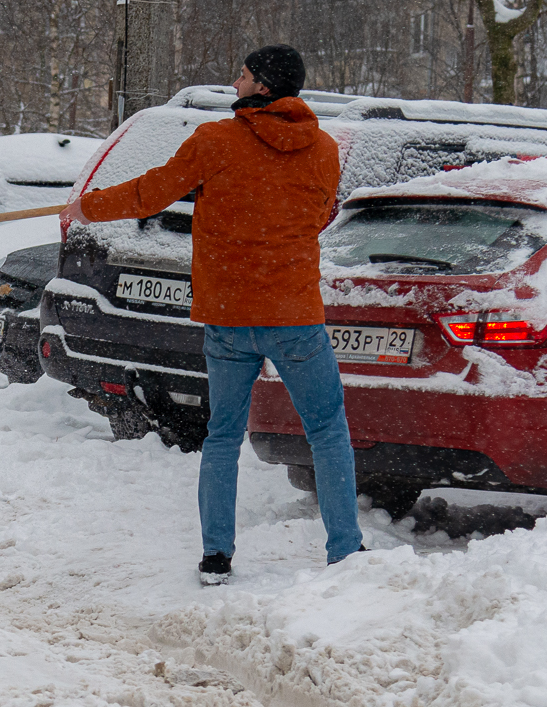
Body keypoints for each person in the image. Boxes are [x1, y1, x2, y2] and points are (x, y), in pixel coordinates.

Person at [59, 45, 361, 584]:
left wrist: (89, 205)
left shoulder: (215, 141)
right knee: (327, 432)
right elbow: (317, 214)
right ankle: (345, 550)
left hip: (229, 315)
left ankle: (216, 556)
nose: (236, 82)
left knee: (222, 435)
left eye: (242, 75)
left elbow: (152, 192)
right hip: (294, 314)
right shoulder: (324, 150)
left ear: (264, 86)